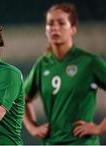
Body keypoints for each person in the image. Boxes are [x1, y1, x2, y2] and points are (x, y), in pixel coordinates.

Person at [23, 3, 106, 145]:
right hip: (51, 142)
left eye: (61, 23)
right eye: (50, 23)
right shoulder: (42, 65)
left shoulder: (89, 62)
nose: (54, 27)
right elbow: (22, 99)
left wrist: (99, 128)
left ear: (73, 29)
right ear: (45, 29)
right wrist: (33, 128)